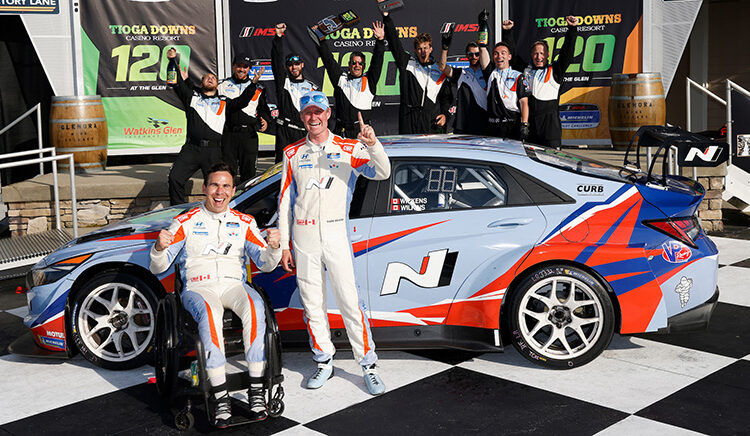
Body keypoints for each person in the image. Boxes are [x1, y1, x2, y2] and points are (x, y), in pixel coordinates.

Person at [150, 162, 282, 428]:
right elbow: (159, 267)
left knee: (256, 307)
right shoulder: (185, 221)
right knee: (211, 314)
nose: (219, 192)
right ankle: (220, 396)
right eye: (214, 185)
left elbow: (265, 264)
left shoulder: (244, 222)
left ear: (233, 191)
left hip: (234, 284)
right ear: (204, 188)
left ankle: (256, 392)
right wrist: (158, 247)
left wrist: (274, 247)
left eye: (225, 186)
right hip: (199, 288)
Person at [278, 91, 390, 395]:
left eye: (319, 112)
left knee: (349, 302)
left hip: (336, 234)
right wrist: (285, 245)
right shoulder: (291, 153)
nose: (313, 118)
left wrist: (372, 144)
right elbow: (284, 202)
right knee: (312, 304)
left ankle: (367, 364)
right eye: (307, 113)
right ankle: (324, 361)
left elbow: (382, 172)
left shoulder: (348, 148)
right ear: (302, 117)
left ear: (328, 114)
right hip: (303, 238)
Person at [166, 48, 258, 205]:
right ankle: (177, 212)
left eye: (213, 78)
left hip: (214, 151)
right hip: (192, 148)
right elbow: (174, 82)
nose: (210, 79)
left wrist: (253, 85)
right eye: (206, 77)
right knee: (175, 178)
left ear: (217, 85)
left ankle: (218, 211)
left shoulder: (224, 101)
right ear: (201, 84)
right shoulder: (192, 98)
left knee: (218, 185)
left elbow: (242, 101)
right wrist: (172, 61)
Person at [504, 17, 579, 149]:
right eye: (536, 53)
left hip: (550, 130)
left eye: (542, 53)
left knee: (553, 164)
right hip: (531, 129)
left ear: (548, 54)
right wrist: (508, 32)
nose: (539, 57)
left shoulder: (556, 70)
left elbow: (567, 52)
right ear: (531, 55)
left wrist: (572, 29)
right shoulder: (525, 70)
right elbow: (513, 55)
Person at [312, 20, 386, 138]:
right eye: (354, 63)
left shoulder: (369, 81)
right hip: (341, 132)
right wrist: (321, 39)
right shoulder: (341, 79)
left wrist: (380, 41)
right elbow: (328, 60)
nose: (357, 66)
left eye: (360, 63)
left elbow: (377, 62)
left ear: (364, 66)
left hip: (361, 132)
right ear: (349, 64)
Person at [382, 11, 452, 134]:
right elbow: (394, 42)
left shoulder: (440, 69)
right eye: (419, 49)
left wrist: (445, 114)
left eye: (425, 48)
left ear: (431, 49)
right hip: (409, 118)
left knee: (430, 152)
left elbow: (446, 98)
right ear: (415, 50)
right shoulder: (407, 64)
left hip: (431, 121)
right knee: (408, 152)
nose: (423, 52)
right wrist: (387, 17)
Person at [218, 53, 272, 183]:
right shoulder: (222, 85)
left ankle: (247, 202)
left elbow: (263, 109)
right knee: (227, 172)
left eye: (245, 67)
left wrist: (265, 119)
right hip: (229, 133)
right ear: (233, 66)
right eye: (239, 66)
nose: (241, 69)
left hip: (248, 135)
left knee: (249, 174)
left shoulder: (259, 88)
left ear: (249, 69)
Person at [437, 12, 492, 135]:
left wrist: (483, 25)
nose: (474, 57)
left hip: (484, 121)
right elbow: (442, 67)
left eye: (477, 54)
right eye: (471, 54)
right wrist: (445, 47)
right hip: (464, 123)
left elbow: (485, 57)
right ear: (466, 56)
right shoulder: (462, 73)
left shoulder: (488, 71)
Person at [272, 22, 319, 163]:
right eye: (291, 65)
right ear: (287, 67)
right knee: (281, 169)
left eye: (297, 64)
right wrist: (278, 38)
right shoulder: (284, 83)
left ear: (302, 65)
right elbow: (276, 63)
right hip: (285, 132)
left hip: (304, 132)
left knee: (305, 166)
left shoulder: (312, 88)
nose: (294, 67)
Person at [483, 39, 530, 140]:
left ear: (509, 56)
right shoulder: (491, 73)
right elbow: (483, 53)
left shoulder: (518, 76)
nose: (499, 56)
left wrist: (524, 124)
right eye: (496, 54)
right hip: (492, 126)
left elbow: (524, 103)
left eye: (503, 53)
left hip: (512, 125)